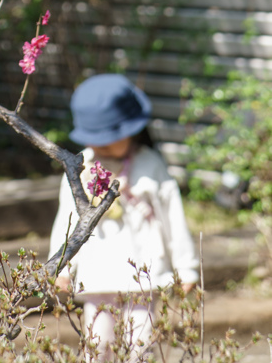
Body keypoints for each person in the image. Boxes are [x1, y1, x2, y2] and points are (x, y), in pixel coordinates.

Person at [49, 74, 198, 360]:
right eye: (95, 139)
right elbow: (66, 218)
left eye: (109, 138)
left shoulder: (151, 167)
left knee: (141, 347)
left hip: (144, 277)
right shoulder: (80, 166)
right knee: (96, 346)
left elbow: (173, 219)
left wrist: (186, 266)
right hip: (97, 276)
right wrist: (61, 266)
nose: (101, 145)